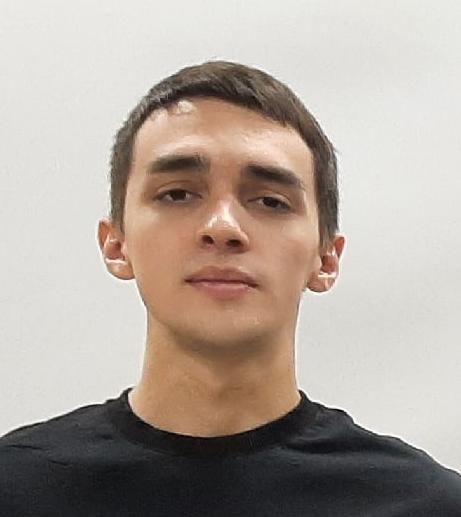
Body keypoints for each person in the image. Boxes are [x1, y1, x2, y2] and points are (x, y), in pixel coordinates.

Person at [1, 60, 460, 516]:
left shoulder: (428, 505)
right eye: (177, 194)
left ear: (326, 258)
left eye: (270, 202)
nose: (222, 227)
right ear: (117, 244)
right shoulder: (15, 489)